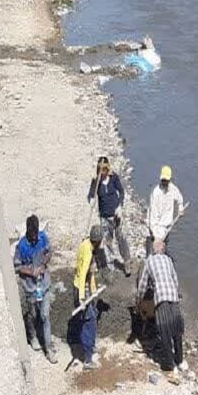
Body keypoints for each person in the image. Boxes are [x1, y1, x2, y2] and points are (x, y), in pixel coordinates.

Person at [136, 240, 184, 380]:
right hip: (173, 297)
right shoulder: (168, 260)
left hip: (161, 299)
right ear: (163, 250)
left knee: (164, 333)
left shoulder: (149, 262)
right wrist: (178, 293)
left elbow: (143, 285)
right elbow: (175, 279)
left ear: (153, 250)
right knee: (177, 330)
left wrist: (139, 301)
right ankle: (180, 360)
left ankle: (171, 365)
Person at [13, 215, 56, 362]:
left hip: (43, 285)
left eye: (36, 234)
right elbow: (16, 267)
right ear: (28, 231)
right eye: (32, 235)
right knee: (32, 314)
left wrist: (44, 264)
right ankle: (31, 335)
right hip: (30, 288)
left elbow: (50, 251)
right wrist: (31, 271)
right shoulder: (22, 247)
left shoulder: (43, 238)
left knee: (45, 315)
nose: (34, 237)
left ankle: (49, 349)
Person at [87, 155, 130, 273]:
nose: (103, 172)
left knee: (121, 238)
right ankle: (111, 265)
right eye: (100, 170)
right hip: (104, 217)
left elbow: (121, 191)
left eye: (104, 169)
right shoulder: (96, 182)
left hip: (116, 214)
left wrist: (120, 206)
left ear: (108, 168)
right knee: (108, 241)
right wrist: (91, 200)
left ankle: (126, 262)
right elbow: (91, 195)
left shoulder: (114, 178)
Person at [73, 225, 104, 370]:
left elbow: (90, 275)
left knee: (92, 316)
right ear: (97, 241)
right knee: (89, 321)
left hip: (84, 288)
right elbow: (84, 272)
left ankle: (89, 347)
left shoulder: (85, 244)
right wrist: (82, 297)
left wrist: (94, 291)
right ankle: (87, 359)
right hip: (81, 290)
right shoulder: (88, 253)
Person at [147, 165, 186, 250]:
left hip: (166, 226)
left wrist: (180, 208)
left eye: (166, 180)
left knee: (164, 247)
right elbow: (153, 218)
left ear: (170, 180)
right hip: (156, 228)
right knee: (154, 250)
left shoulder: (172, 188)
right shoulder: (156, 194)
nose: (165, 182)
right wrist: (156, 237)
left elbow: (179, 198)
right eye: (163, 180)